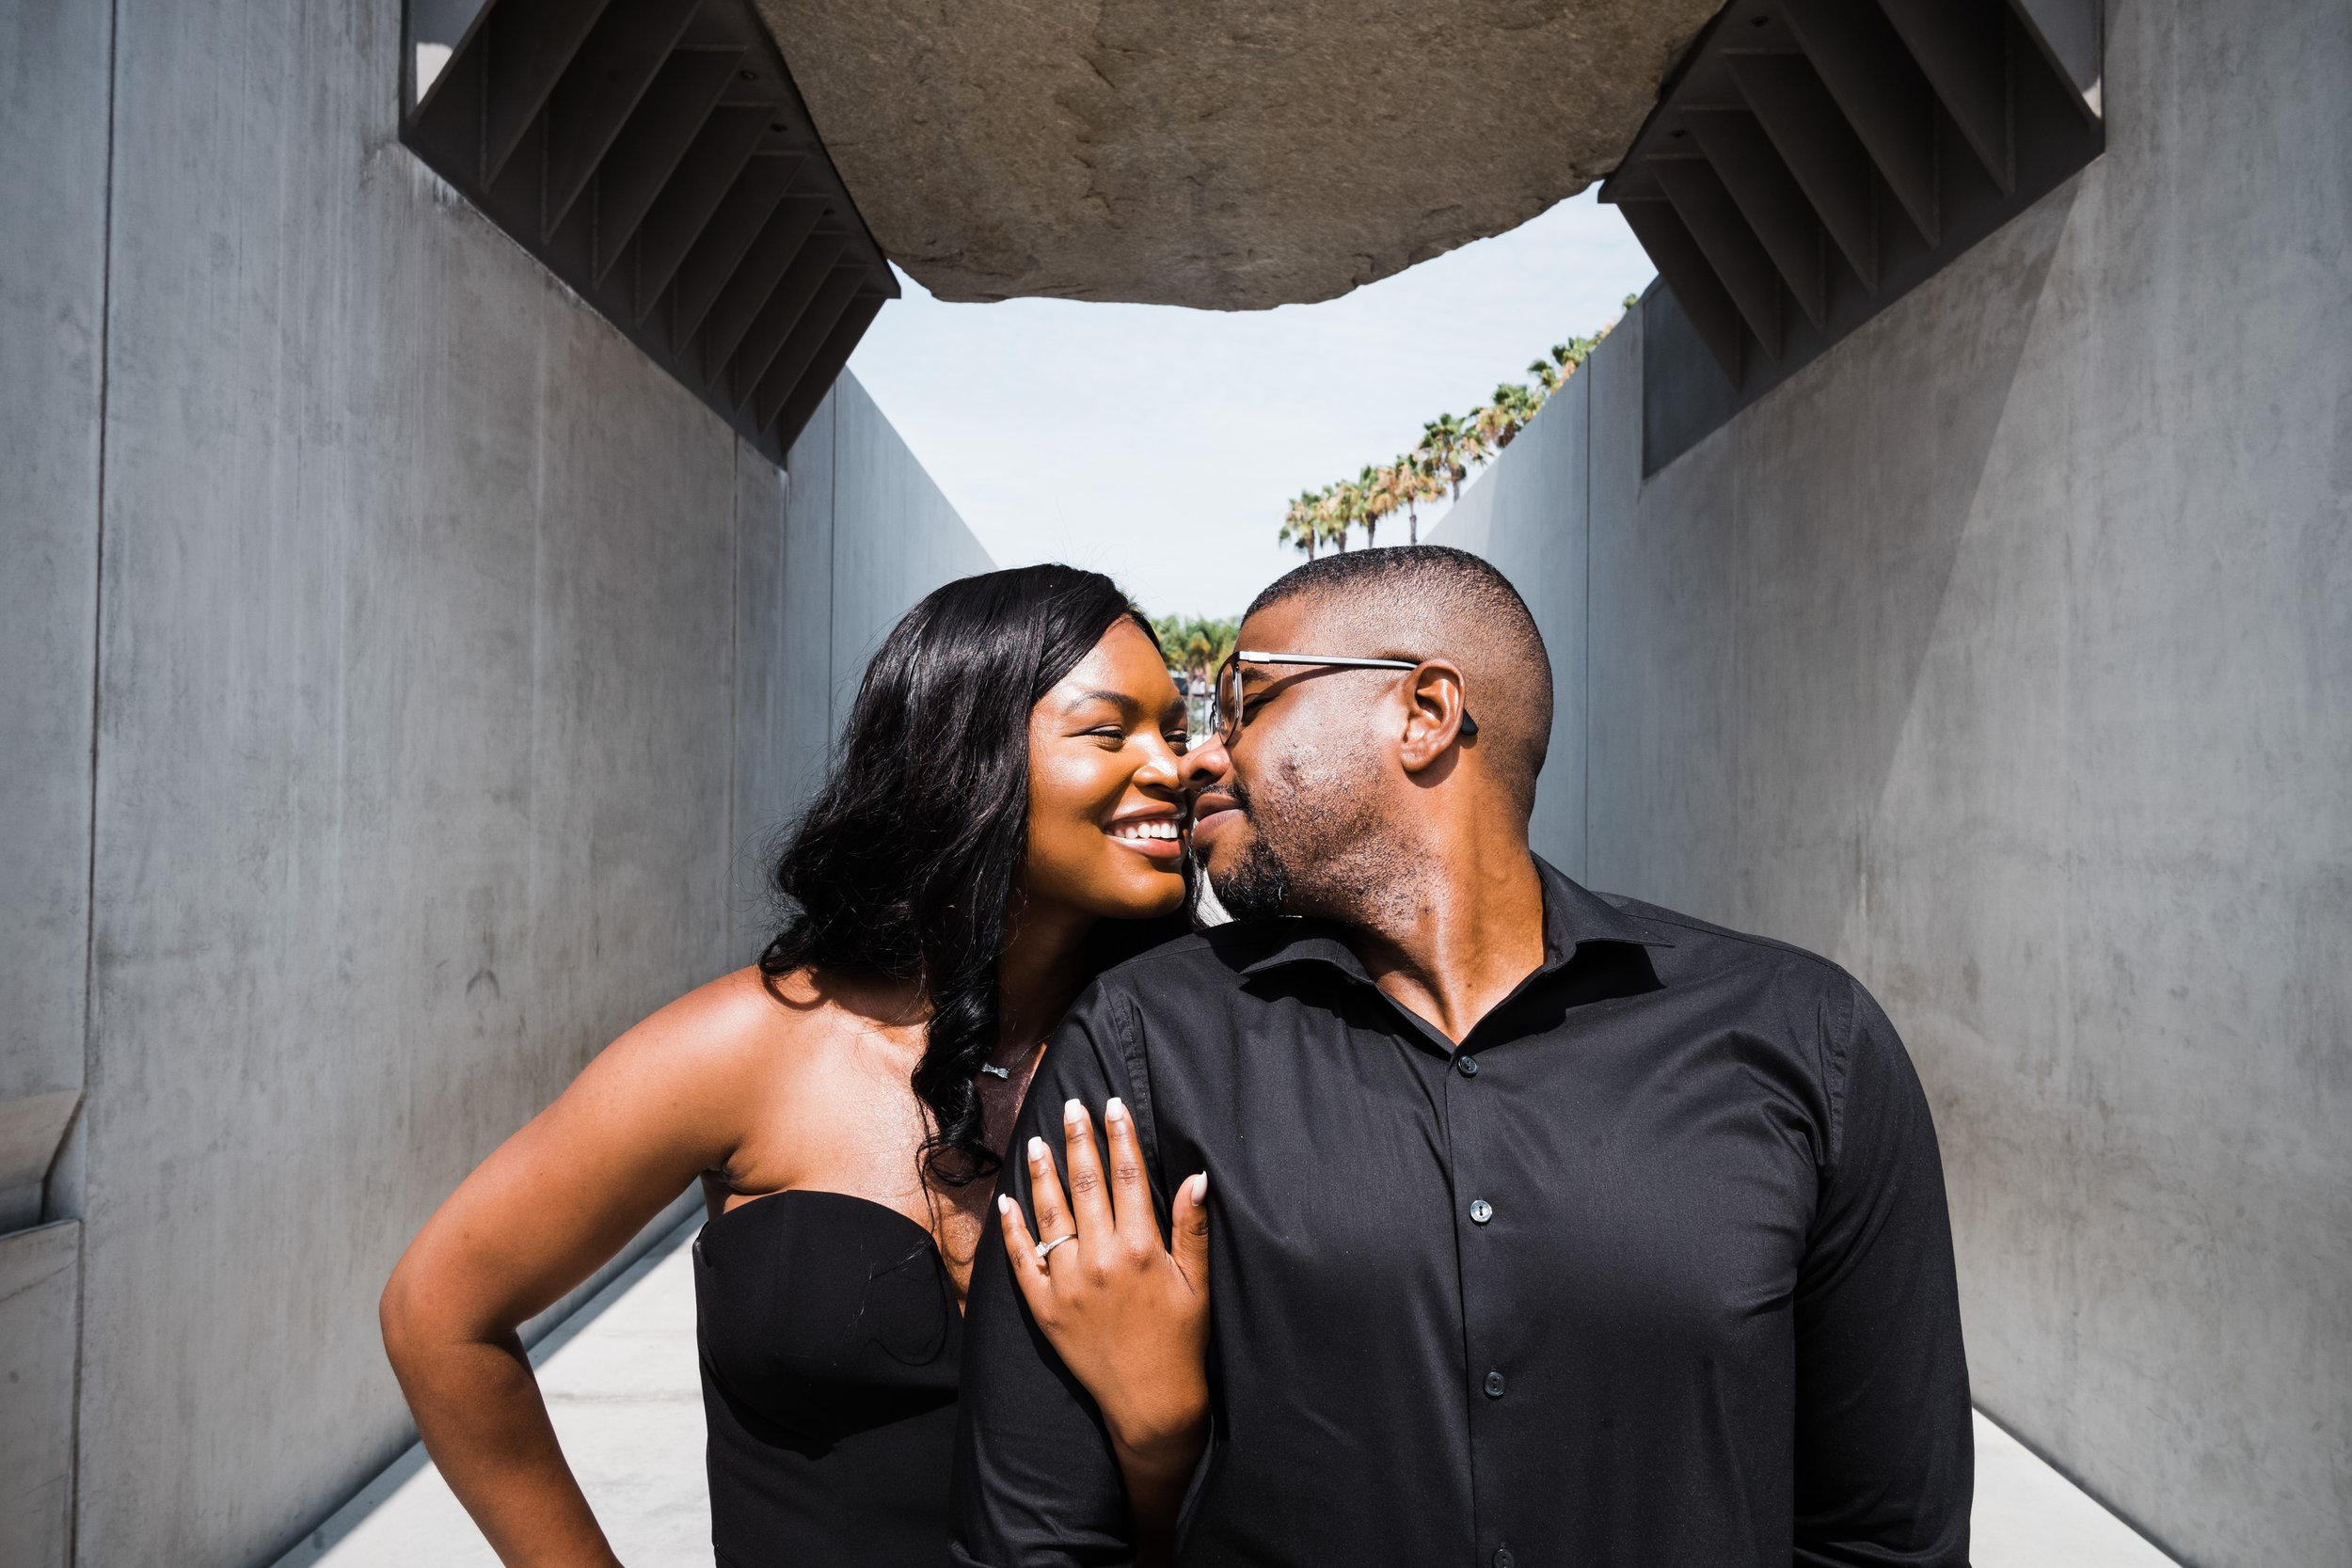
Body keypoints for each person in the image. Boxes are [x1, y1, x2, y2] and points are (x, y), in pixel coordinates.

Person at [953, 546, 1974, 1568]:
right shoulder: (1144, 1043)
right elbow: (1034, 1539)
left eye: (1247, 700)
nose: (1199, 757)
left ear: (1425, 712)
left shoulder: (1807, 1040)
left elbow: (1884, 1541)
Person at [381, 565, 1219, 1567]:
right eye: (1106, 729)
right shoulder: (748, 1045)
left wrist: (1162, 1431)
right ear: (966, 751)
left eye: (1173, 728)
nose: (1177, 763)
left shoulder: (1202, 1057)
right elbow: (439, 1312)